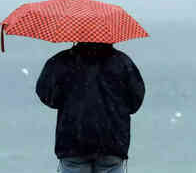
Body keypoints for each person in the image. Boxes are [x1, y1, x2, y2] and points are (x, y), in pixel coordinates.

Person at [36, 42, 145, 173]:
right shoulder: (122, 62)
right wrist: (117, 109)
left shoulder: (61, 61)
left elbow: (46, 93)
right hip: (112, 141)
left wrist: (67, 103)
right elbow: (135, 100)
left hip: (72, 140)